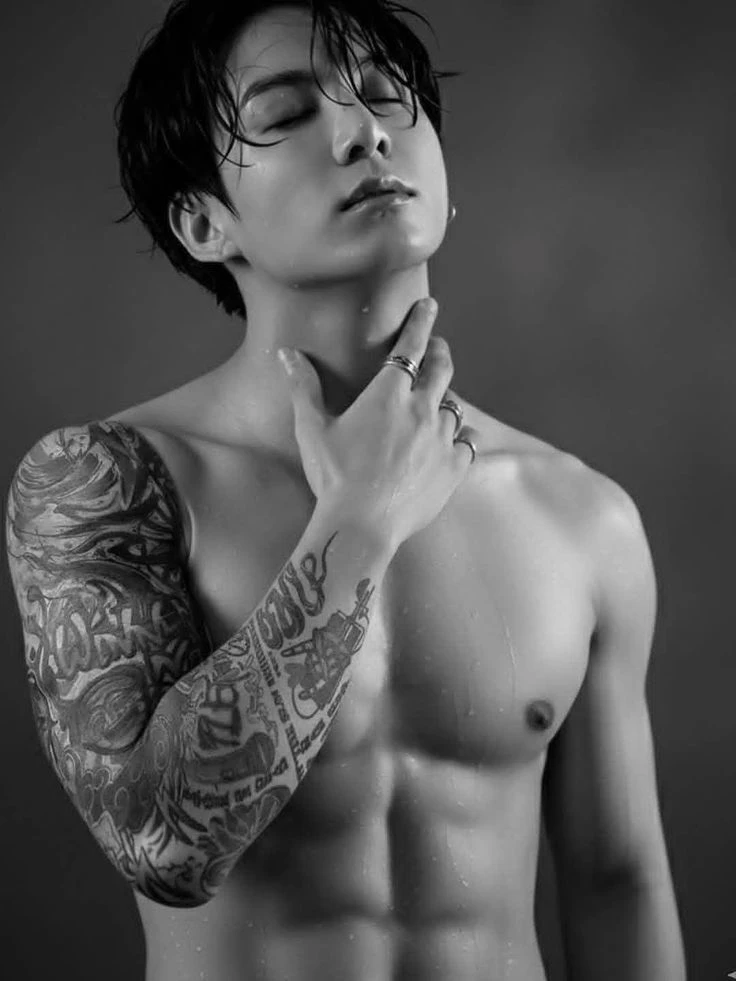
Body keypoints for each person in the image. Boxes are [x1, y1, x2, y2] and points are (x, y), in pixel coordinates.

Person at [5, 1, 687, 978]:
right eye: (285, 114)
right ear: (203, 223)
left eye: (383, 97)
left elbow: (616, 880)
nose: (364, 130)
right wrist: (359, 521)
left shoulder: (583, 515)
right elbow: (162, 845)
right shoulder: (104, 482)